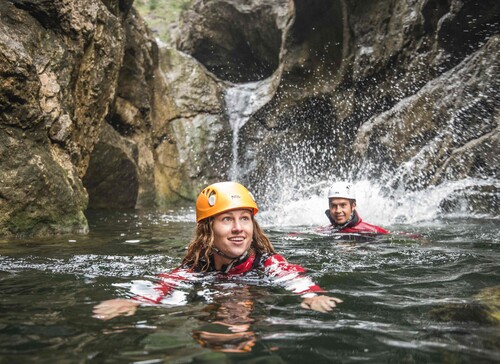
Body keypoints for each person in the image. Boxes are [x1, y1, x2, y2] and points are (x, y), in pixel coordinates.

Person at [93, 181, 342, 321]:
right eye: (226, 220)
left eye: (244, 219)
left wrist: (311, 295)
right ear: (208, 229)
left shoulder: (267, 262)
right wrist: (135, 300)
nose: (238, 229)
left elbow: (292, 276)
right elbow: (167, 283)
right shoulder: (198, 266)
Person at [324, 181, 389, 234]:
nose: (338, 210)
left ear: (353, 206)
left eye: (343, 205)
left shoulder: (373, 231)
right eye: (333, 206)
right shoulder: (324, 231)